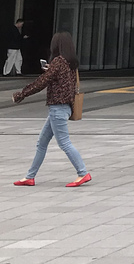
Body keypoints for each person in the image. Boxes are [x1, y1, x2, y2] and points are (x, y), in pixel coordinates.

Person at [12, 31, 90, 188]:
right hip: (64, 107)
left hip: (57, 109)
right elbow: (59, 79)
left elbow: (41, 82)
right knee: (41, 143)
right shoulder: (70, 63)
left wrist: (22, 94)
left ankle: (83, 173)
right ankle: (30, 177)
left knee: (64, 143)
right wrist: (51, 70)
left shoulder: (58, 62)